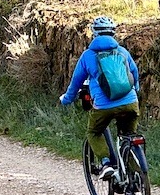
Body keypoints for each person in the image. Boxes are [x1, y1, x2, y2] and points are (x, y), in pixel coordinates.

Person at [59, 16, 140, 181]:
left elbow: (76, 83)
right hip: (130, 102)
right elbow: (135, 73)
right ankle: (136, 178)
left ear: (94, 34)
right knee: (129, 136)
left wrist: (66, 99)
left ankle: (106, 164)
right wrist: (135, 91)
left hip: (104, 106)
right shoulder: (123, 51)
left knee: (94, 132)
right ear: (113, 33)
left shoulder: (88, 56)